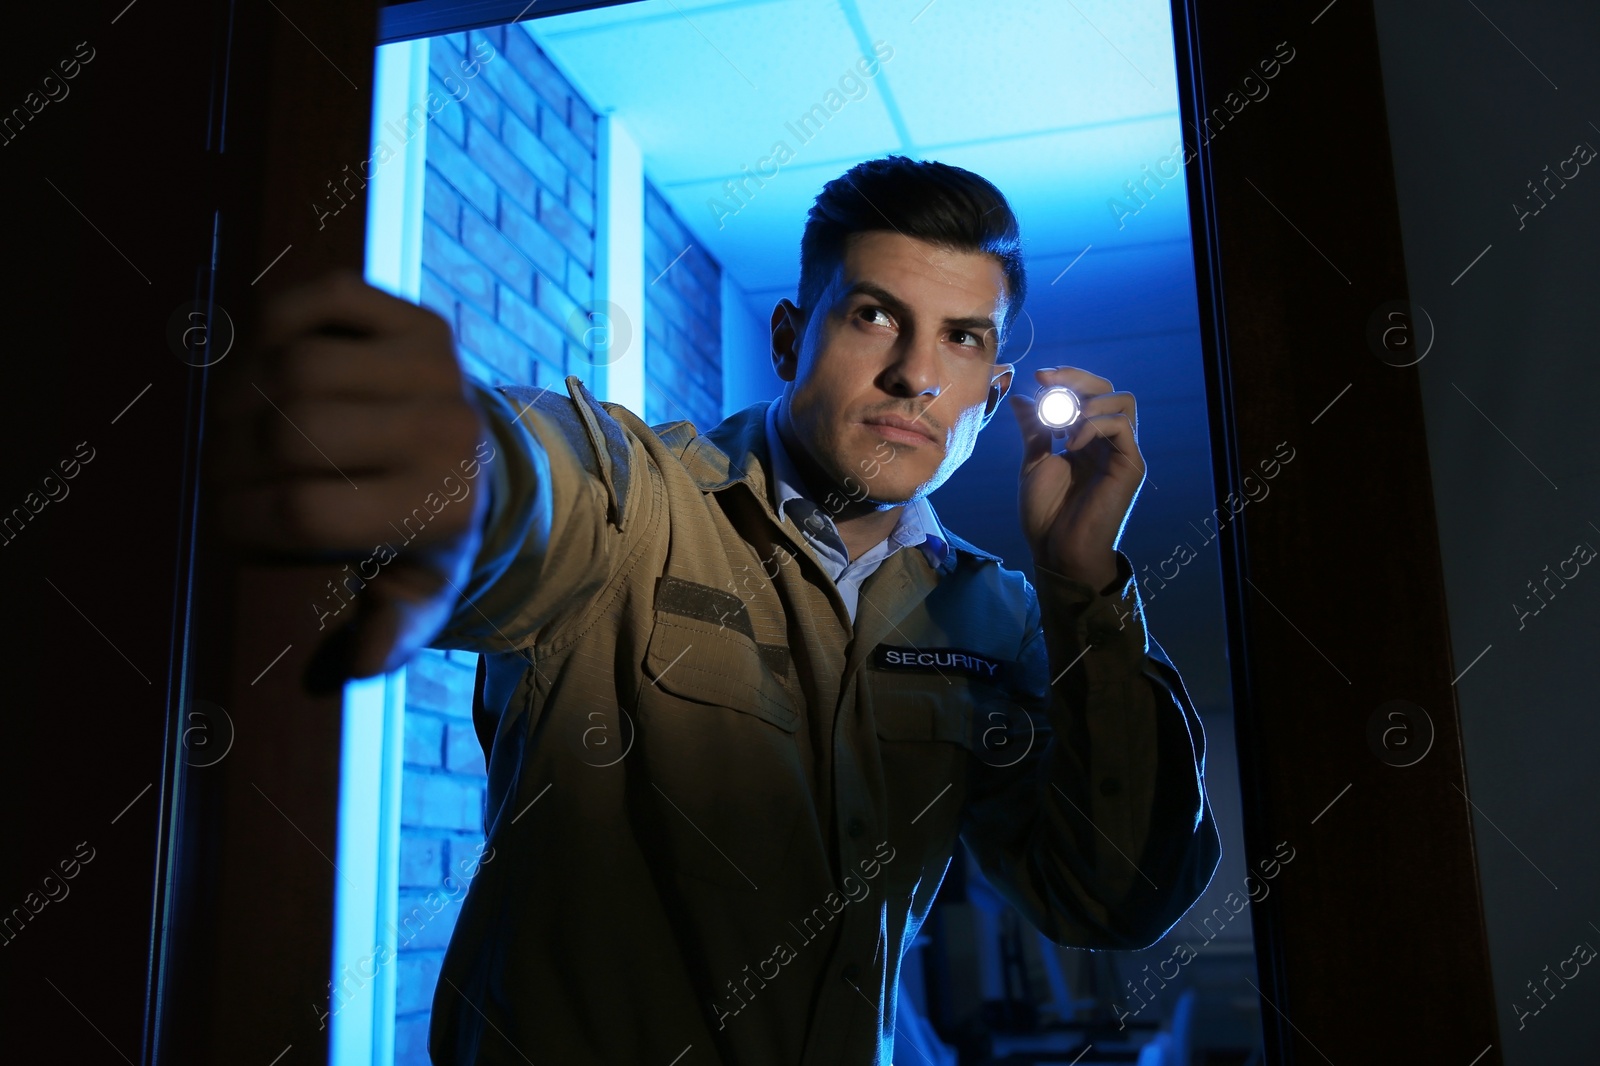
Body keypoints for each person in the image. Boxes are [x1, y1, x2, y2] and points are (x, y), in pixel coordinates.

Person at [213, 154, 1221, 1065]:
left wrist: (1084, 579)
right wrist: (457, 474)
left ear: (993, 396)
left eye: (959, 339)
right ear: (789, 337)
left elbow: (1114, 892)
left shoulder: (1004, 620)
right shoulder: (639, 503)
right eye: (872, 314)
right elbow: (536, 480)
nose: (915, 373)